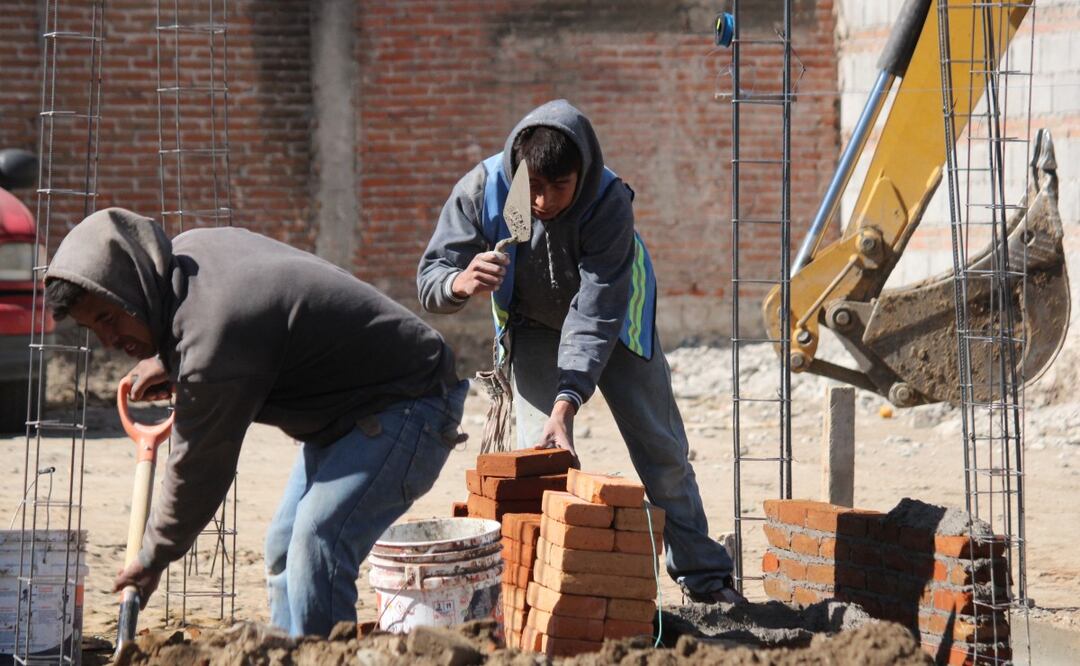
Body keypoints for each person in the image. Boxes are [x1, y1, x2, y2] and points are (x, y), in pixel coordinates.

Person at [44, 208, 468, 636]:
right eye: (92, 328)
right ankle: (293, 653)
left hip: (412, 402)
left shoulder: (215, 337)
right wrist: (169, 359)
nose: (108, 340)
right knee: (284, 548)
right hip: (348, 409)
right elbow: (236, 329)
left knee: (319, 544)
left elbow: (199, 467)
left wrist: (153, 557)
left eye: (108, 318)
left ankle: (320, 660)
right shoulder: (188, 256)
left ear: (134, 287)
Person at [418, 99, 743, 603]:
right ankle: (561, 595)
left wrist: (566, 402)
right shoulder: (486, 190)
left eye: (559, 187)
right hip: (532, 327)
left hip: (616, 324)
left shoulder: (607, 200)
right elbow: (430, 278)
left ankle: (704, 577)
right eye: (535, 188)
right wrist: (459, 283)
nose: (544, 202)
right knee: (541, 461)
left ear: (582, 174)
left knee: (663, 453)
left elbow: (595, 311)